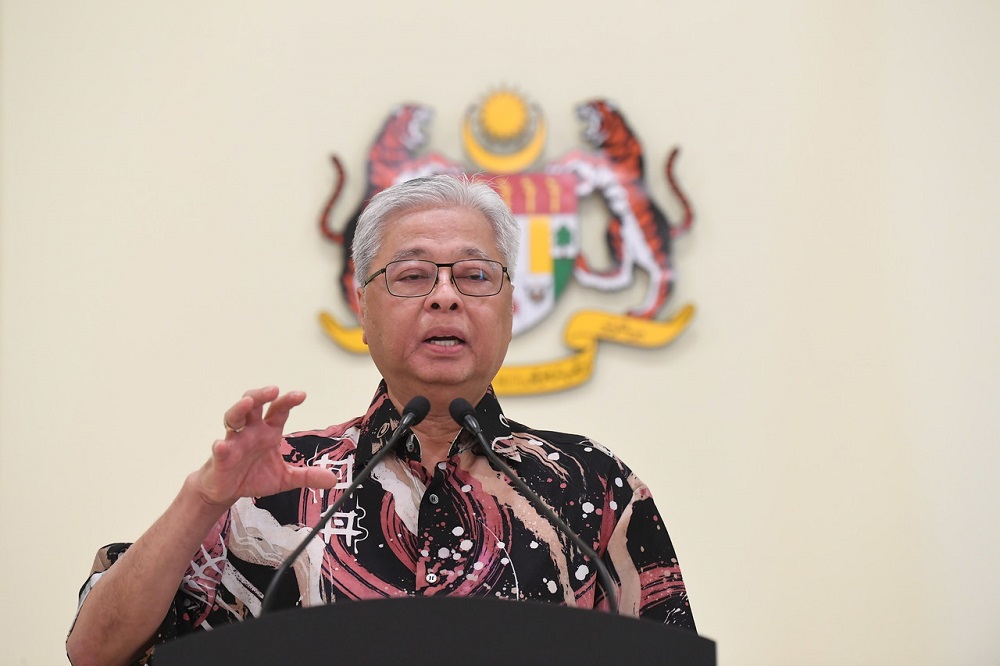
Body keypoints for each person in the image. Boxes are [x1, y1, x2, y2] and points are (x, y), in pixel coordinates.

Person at [66, 175, 696, 666]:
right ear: (363, 309)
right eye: (413, 275)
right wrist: (203, 499)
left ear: (509, 306)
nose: (445, 295)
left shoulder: (589, 487)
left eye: (475, 276)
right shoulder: (281, 481)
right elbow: (97, 651)